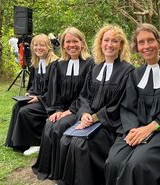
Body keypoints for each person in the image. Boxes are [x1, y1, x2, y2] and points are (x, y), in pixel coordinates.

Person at [105, 23, 160, 185]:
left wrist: (151, 127)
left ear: (159, 42)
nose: (146, 46)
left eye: (150, 40)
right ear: (136, 47)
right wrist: (133, 130)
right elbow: (128, 108)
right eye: (141, 42)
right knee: (113, 162)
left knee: (137, 165)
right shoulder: (135, 75)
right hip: (137, 131)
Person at [58, 24, 134, 185]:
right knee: (66, 139)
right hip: (89, 120)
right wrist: (85, 114)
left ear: (121, 45)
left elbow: (120, 104)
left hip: (110, 125)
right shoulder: (96, 68)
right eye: (106, 40)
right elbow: (85, 96)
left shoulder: (128, 71)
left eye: (115, 41)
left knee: (81, 144)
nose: (110, 45)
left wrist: (94, 118)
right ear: (100, 43)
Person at [32, 27, 94, 181]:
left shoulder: (90, 64)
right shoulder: (58, 65)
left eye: (75, 41)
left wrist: (70, 111)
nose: (71, 45)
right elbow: (54, 92)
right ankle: (48, 169)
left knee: (59, 127)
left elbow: (87, 93)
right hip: (63, 109)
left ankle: (59, 171)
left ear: (82, 43)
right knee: (50, 124)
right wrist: (57, 110)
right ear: (63, 44)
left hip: (80, 110)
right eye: (68, 42)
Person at [5, 34, 58, 155]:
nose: (38, 48)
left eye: (42, 45)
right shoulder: (36, 64)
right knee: (17, 107)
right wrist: (30, 93)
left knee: (26, 111)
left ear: (48, 47)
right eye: (36, 45)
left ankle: (36, 142)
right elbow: (34, 85)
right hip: (39, 98)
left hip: (50, 101)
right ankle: (16, 142)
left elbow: (55, 89)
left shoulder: (55, 64)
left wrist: (39, 98)